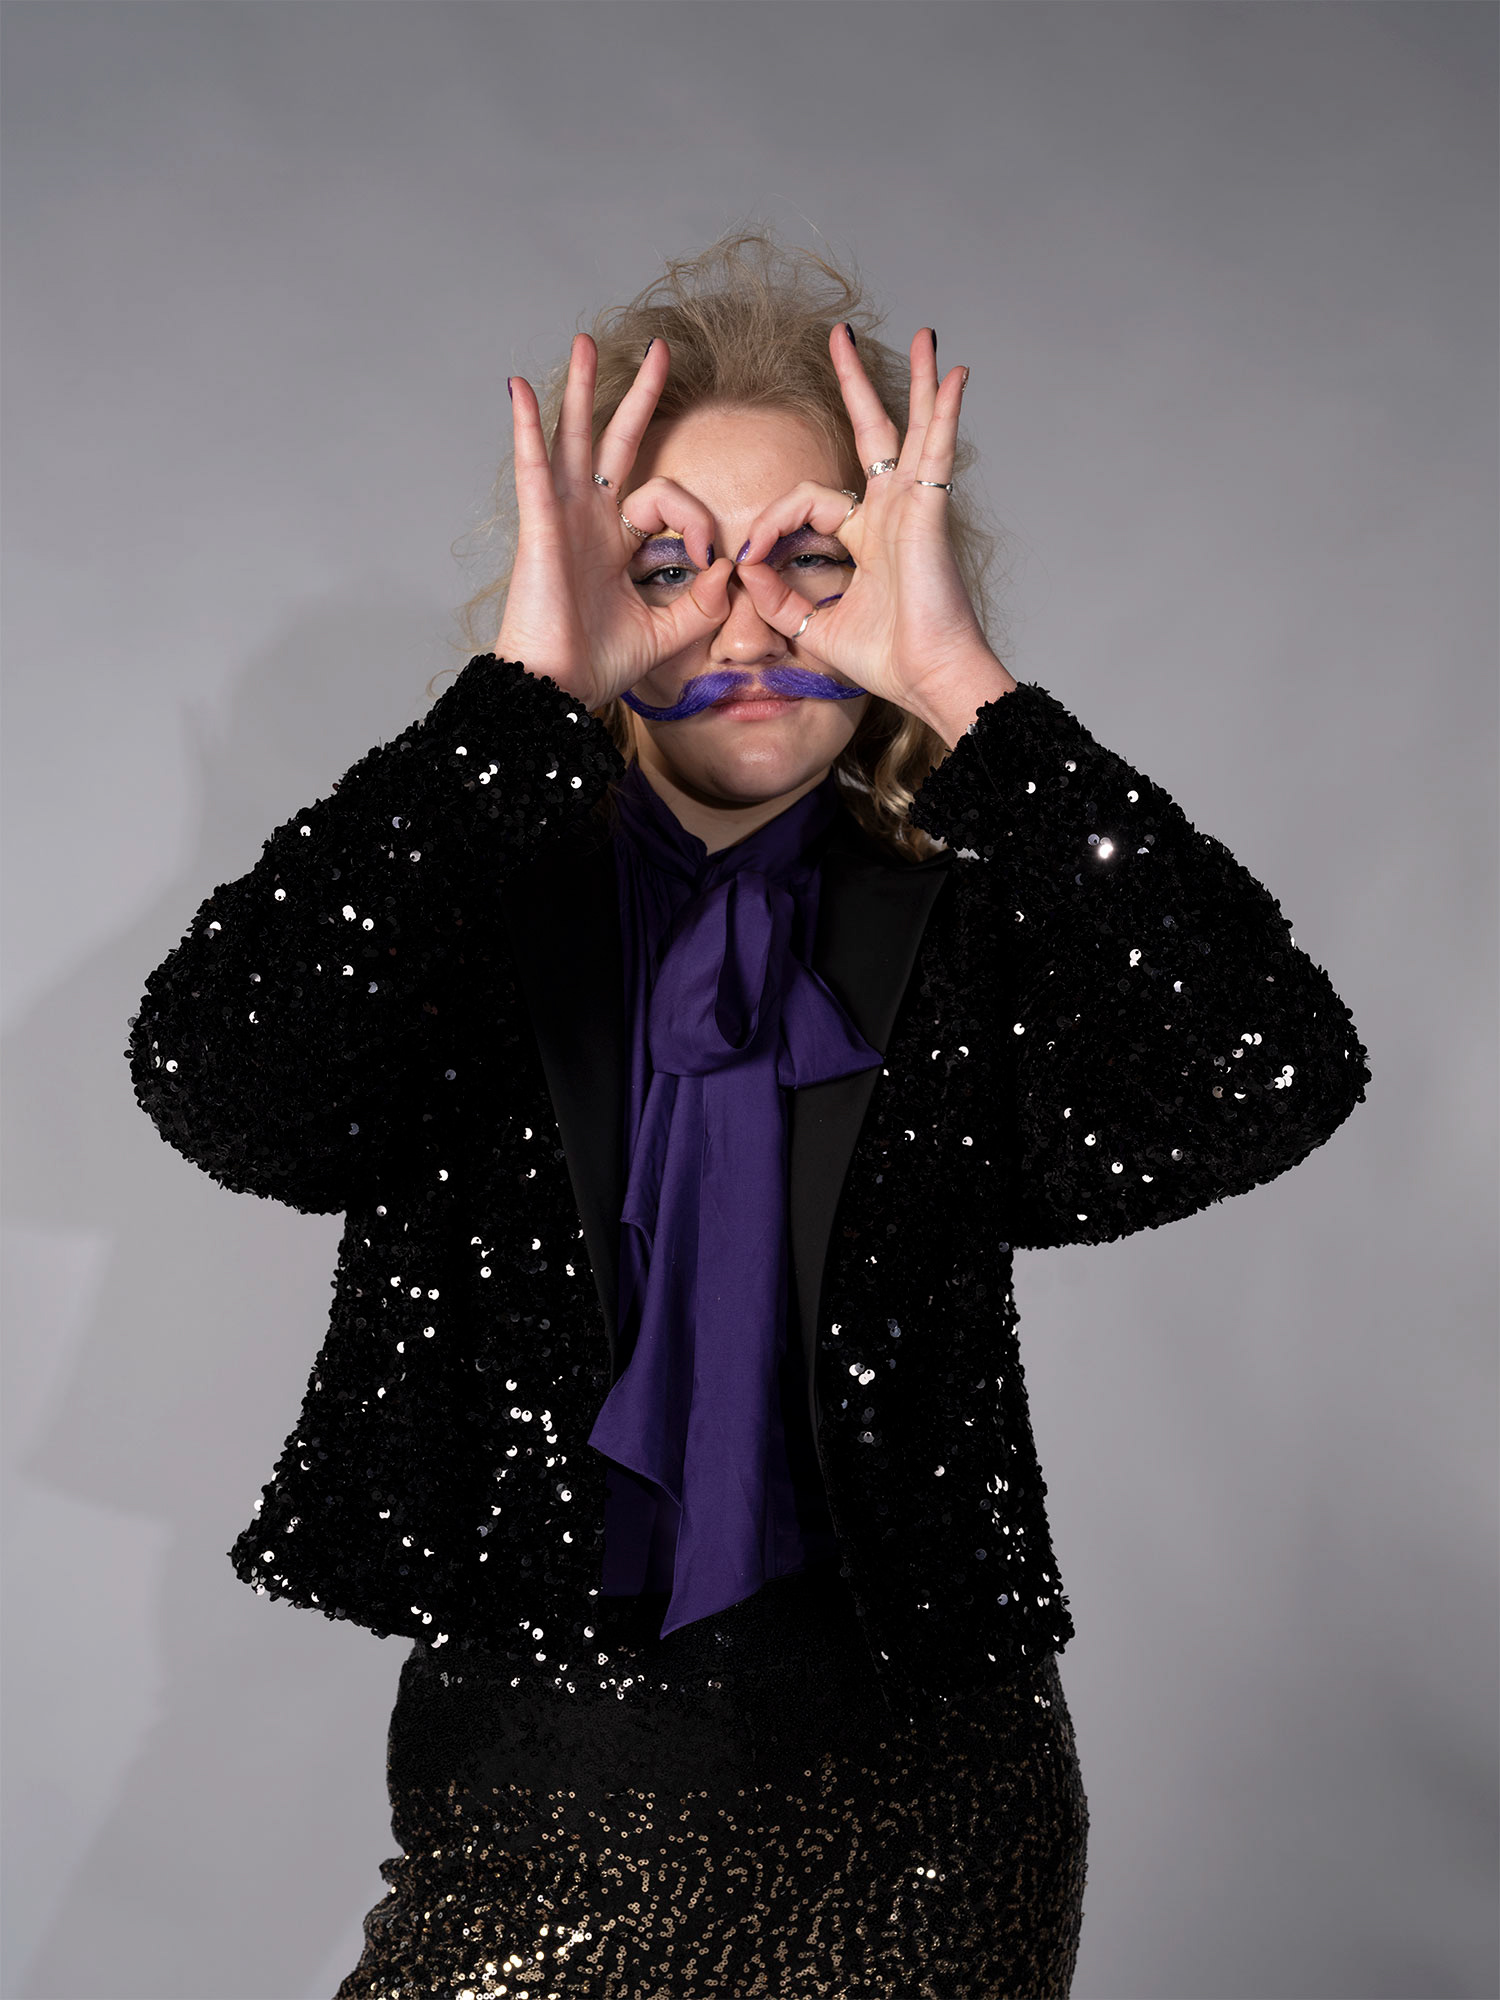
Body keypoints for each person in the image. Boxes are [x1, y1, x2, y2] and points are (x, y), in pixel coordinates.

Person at [126, 230, 1370, 2000]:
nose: (744, 619)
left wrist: (964, 688)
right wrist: (520, 703)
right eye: (670, 561)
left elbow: (1272, 1066)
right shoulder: (459, 908)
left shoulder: (964, 931)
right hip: (538, 1805)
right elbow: (221, 1086)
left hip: (936, 1819)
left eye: (811, 557)